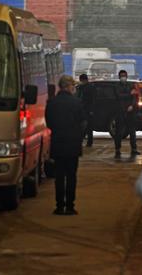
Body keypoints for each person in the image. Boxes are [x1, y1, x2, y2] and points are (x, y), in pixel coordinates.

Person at [45, 75, 86, 215]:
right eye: (73, 86)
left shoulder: (51, 103)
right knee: (71, 176)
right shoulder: (77, 103)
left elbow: (49, 123)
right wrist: (79, 136)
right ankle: (70, 206)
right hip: (73, 144)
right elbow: (83, 123)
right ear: (69, 87)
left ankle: (59, 206)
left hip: (58, 144)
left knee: (59, 176)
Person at [114, 70, 140, 159]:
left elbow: (134, 97)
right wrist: (129, 93)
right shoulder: (116, 86)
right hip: (120, 112)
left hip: (130, 111)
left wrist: (132, 106)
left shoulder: (131, 85)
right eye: (121, 76)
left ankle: (134, 149)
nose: (123, 77)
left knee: (132, 131)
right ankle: (117, 149)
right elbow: (119, 96)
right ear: (119, 77)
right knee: (119, 132)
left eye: (124, 75)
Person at [76, 73, 96, 147]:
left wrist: (91, 110)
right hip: (82, 109)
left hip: (88, 109)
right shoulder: (81, 87)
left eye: (81, 80)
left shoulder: (90, 87)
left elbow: (93, 99)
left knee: (89, 127)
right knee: (82, 126)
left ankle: (89, 142)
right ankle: (82, 141)